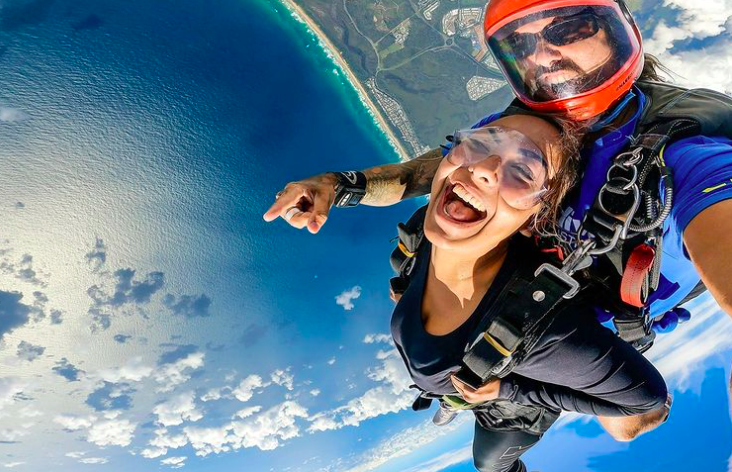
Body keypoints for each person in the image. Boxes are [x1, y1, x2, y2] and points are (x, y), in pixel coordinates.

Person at [264, 0, 732, 351]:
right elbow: (420, 175)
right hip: (527, 292)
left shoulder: (687, 154)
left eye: (569, 27)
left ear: (622, 29)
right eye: (521, 45)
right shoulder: (516, 129)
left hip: (581, 328)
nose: (543, 54)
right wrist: (340, 186)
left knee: (531, 427)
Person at [388, 113, 670, 472]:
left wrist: (509, 392)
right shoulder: (425, 232)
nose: (483, 168)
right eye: (480, 143)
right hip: (473, 377)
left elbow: (644, 401)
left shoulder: (541, 330)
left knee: (490, 465)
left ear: (538, 216)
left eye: (522, 172)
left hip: (511, 401)